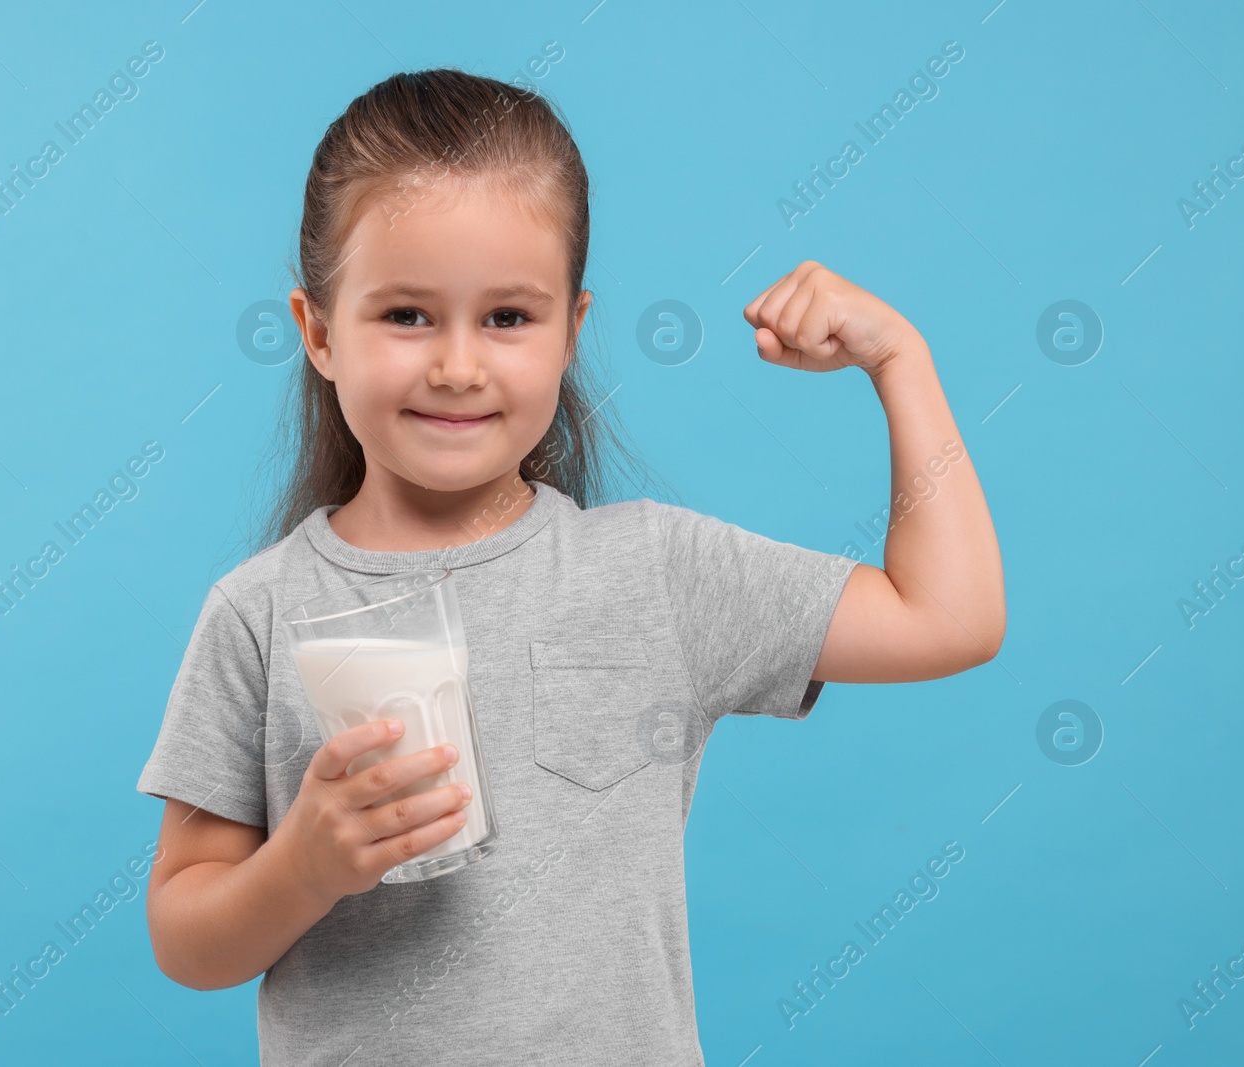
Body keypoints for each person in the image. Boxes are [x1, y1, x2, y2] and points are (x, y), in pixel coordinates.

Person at [135, 67, 1004, 1066]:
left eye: (507, 317)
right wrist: (303, 865)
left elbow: (952, 616)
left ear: (570, 332)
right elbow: (184, 937)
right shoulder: (258, 611)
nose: (458, 365)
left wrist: (901, 362)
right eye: (406, 315)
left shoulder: (654, 572)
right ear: (319, 332)